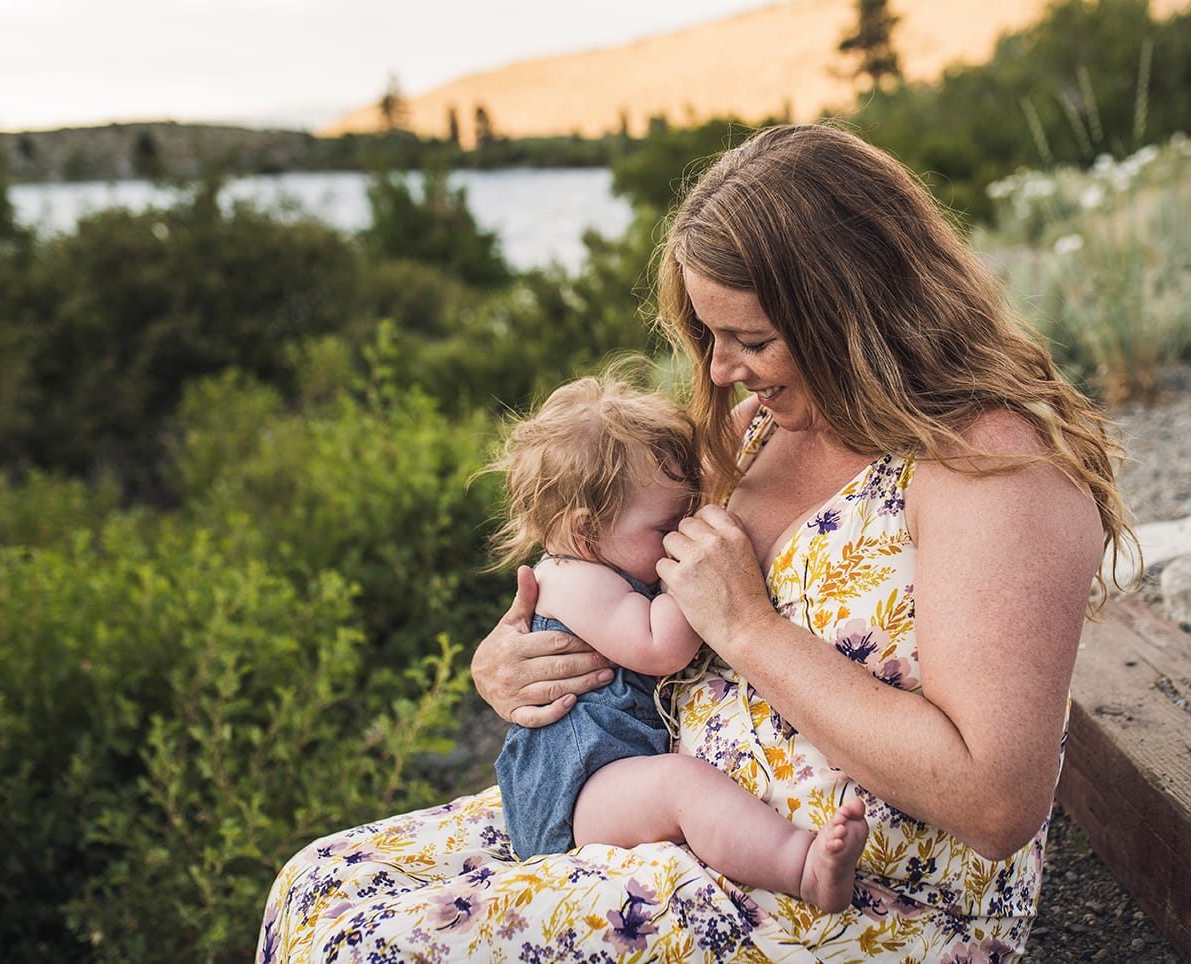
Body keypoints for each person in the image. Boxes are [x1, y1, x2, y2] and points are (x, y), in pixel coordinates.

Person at [256, 124, 1133, 962]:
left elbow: (995, 799)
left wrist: (750, 628)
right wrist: (518, 658)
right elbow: (620, 570)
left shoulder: (994, 469)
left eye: (751, 339)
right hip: (667, 811)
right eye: (709, 336)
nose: (716, 372)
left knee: (370, 949)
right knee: (318, 888)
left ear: (853, 314)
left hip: (846, 905)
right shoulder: (759, 429)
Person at [486, 372, 869, 912]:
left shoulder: (600, 558)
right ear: (586, 532)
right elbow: (660, 646)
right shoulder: (573, 580)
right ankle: (802, 868)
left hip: (606, 769)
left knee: (680, 787)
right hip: (574, 794)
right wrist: (699, 571)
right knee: (682, 787)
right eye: (666, 525)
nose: (680, 532)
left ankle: (796, 861)